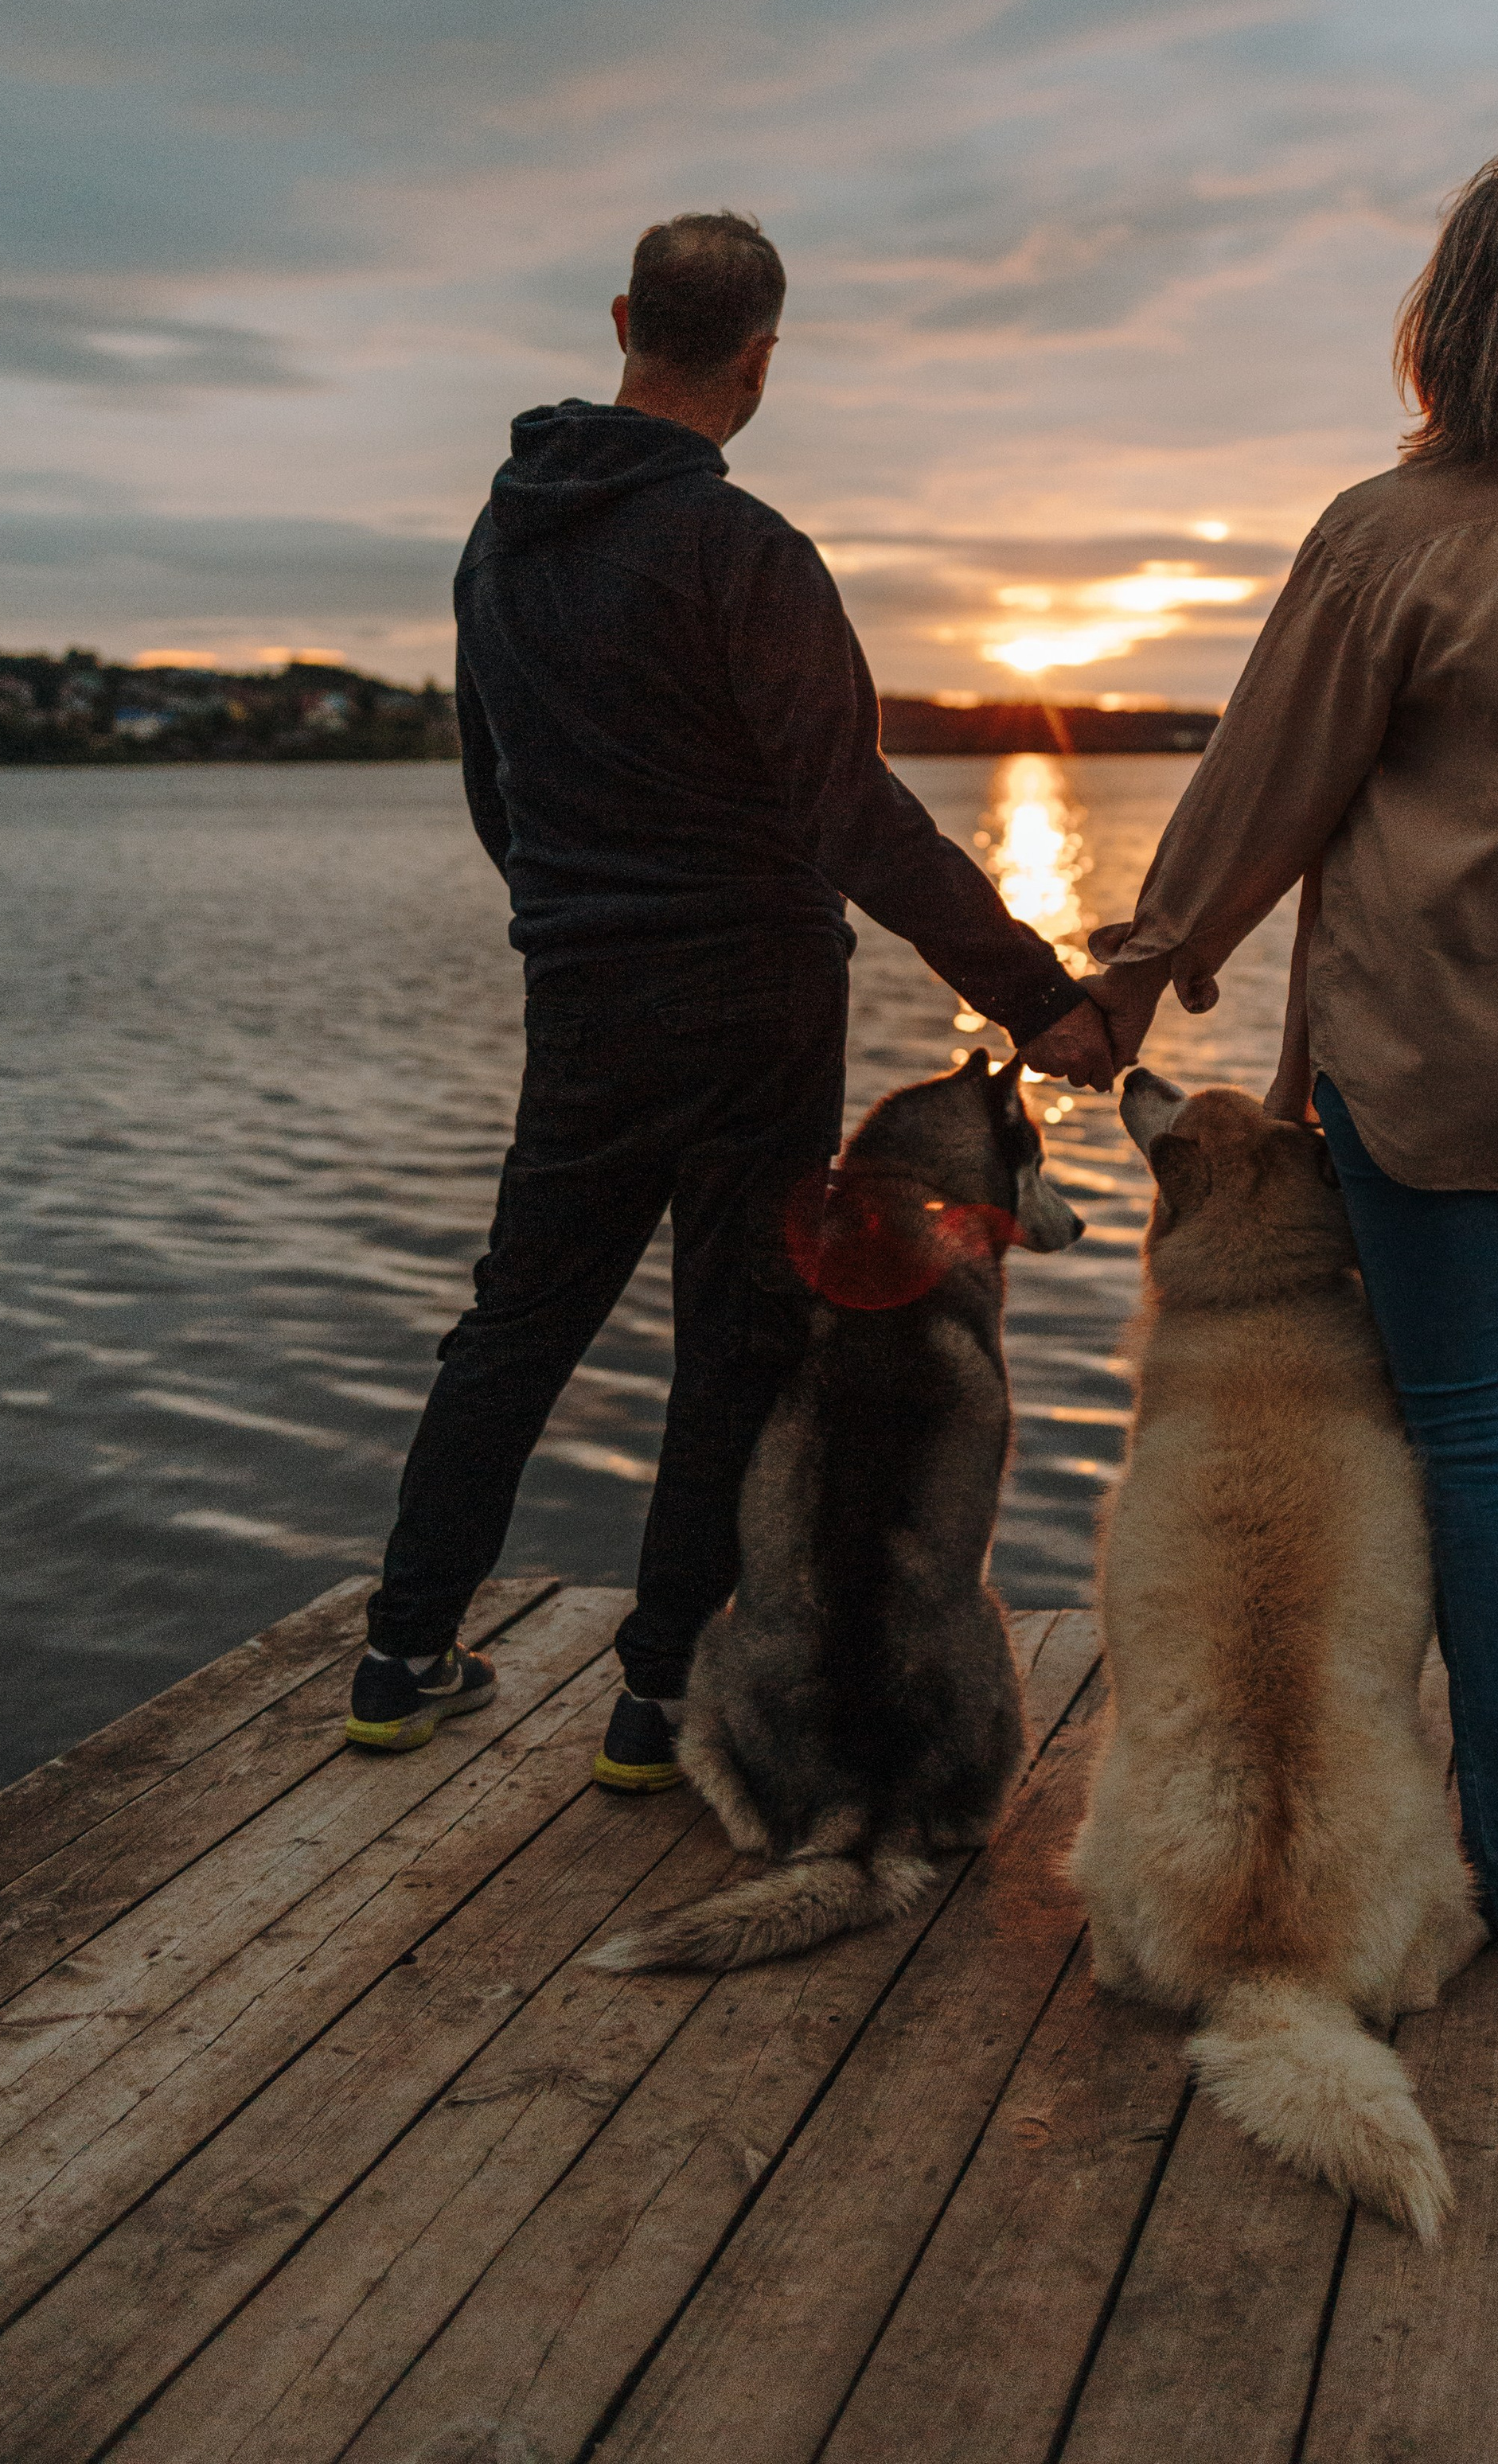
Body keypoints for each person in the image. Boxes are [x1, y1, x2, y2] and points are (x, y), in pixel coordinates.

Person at [1082, 151, 1498, 1950]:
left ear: (1438, 317)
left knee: (1471, 1427)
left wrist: (1154, 959)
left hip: (1416, 1059)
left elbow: (1263, 785)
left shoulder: (1383, 539)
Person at [346, 212, 1114, 1782]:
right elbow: (853, 814)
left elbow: (498, 795)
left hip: (584, 996)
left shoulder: (497, 546)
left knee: (518, 1318)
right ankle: (649, 1703)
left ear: (624, 315)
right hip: (757, 1000)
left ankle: (397, 1656)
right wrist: (1038, 998)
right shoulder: (742, 551)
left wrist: (576, 918)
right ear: (761, 356)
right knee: (732, 1339)